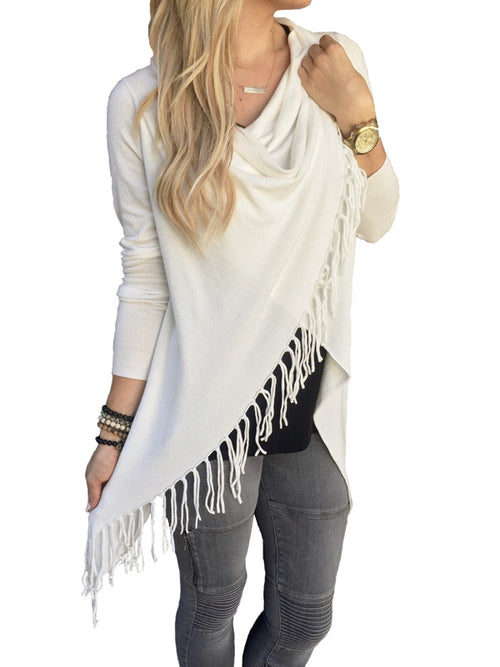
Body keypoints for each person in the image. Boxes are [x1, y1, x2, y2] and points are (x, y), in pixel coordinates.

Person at [83, 1, 400, 664]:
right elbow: (146, 277)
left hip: (304, 393)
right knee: (211, 603)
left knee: (305, 617)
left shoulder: (331, 64)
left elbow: (374, 222)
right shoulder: (142, 102)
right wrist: (113, 434)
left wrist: (358, 118)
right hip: (205, 411)